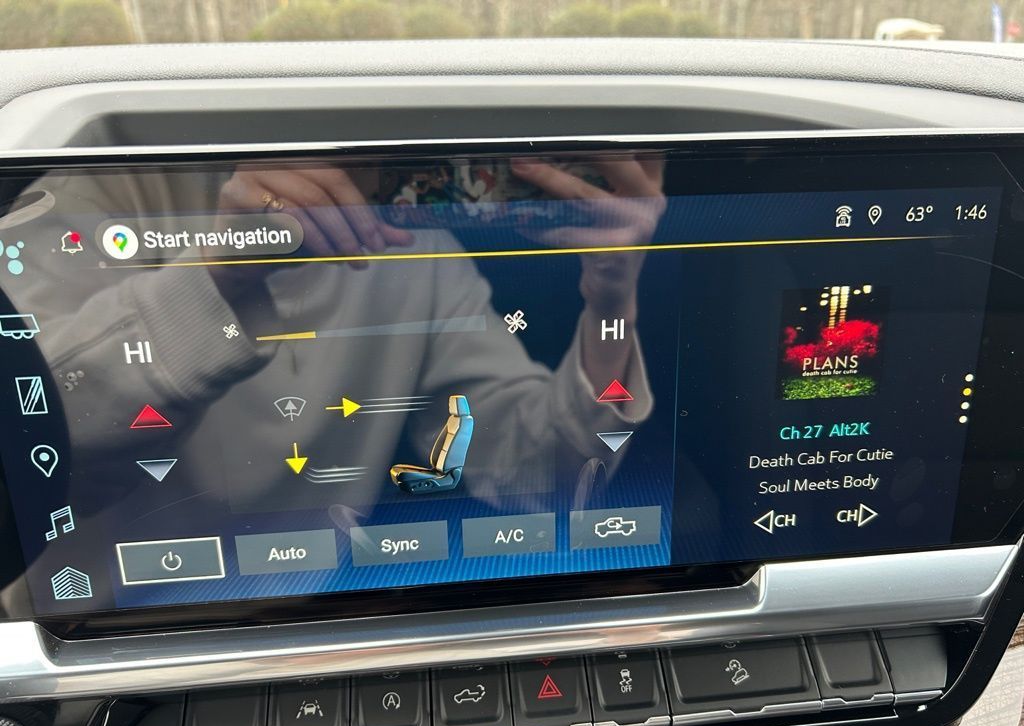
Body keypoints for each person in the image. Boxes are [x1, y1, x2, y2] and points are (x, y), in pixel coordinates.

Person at [4, 155, 665, 524]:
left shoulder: (419, 249)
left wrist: (612, 299)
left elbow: (539, 478)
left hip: (315, 606)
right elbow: (30, 450)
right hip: (109, 621)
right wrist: (221, 270)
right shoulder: (95, 174)